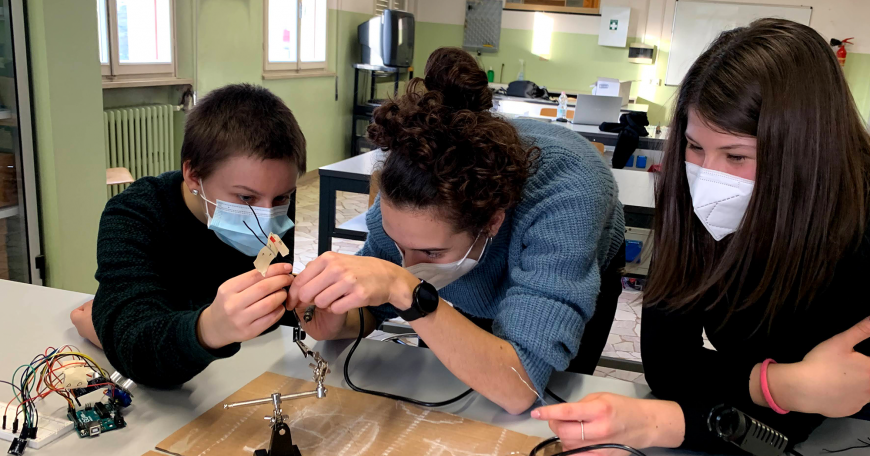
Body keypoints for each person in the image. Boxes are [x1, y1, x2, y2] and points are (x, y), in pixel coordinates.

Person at [531, 19, 870, 453]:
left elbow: (813, 411)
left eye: (736, 156)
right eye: (694, 147)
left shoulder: (854, 230)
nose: (707, 177)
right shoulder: (687, 194)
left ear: (804, 152)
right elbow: (668, 363)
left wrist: (660, 420)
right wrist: (778, 384)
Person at [286, 48, 625, 415]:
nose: (410, 264)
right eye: (400, 246)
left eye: (430, 254)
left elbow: (521, 384)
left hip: (577, 260)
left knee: (546, 410)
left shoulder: (567, 192)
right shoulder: (411, 188)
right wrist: (337, 320)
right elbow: (376, 308)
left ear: (493, 221)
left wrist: (403, 287)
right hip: (468, 244)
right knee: (449, 381)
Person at [71, 84, 304, 387]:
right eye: (246, 198)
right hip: (186, 381)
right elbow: (136, 348)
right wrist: (208, 329)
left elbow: (266, 277)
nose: (266, 216)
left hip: (257, 361)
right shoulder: (133, 215)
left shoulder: (274, 201)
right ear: (194, 175)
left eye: (282, 197)